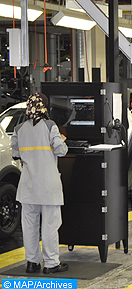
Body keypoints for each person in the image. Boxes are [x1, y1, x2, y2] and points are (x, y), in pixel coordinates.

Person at [11, 93, 69, 274]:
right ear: (45, 107)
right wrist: (62, 139)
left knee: (29, 226)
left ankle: (32, 263)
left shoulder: (19, 129)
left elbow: (16, 154)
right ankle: (51, 264)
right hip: (48, 186)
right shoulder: (50, 126)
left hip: (28, 186)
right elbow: (61, 151)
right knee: (50, 225)